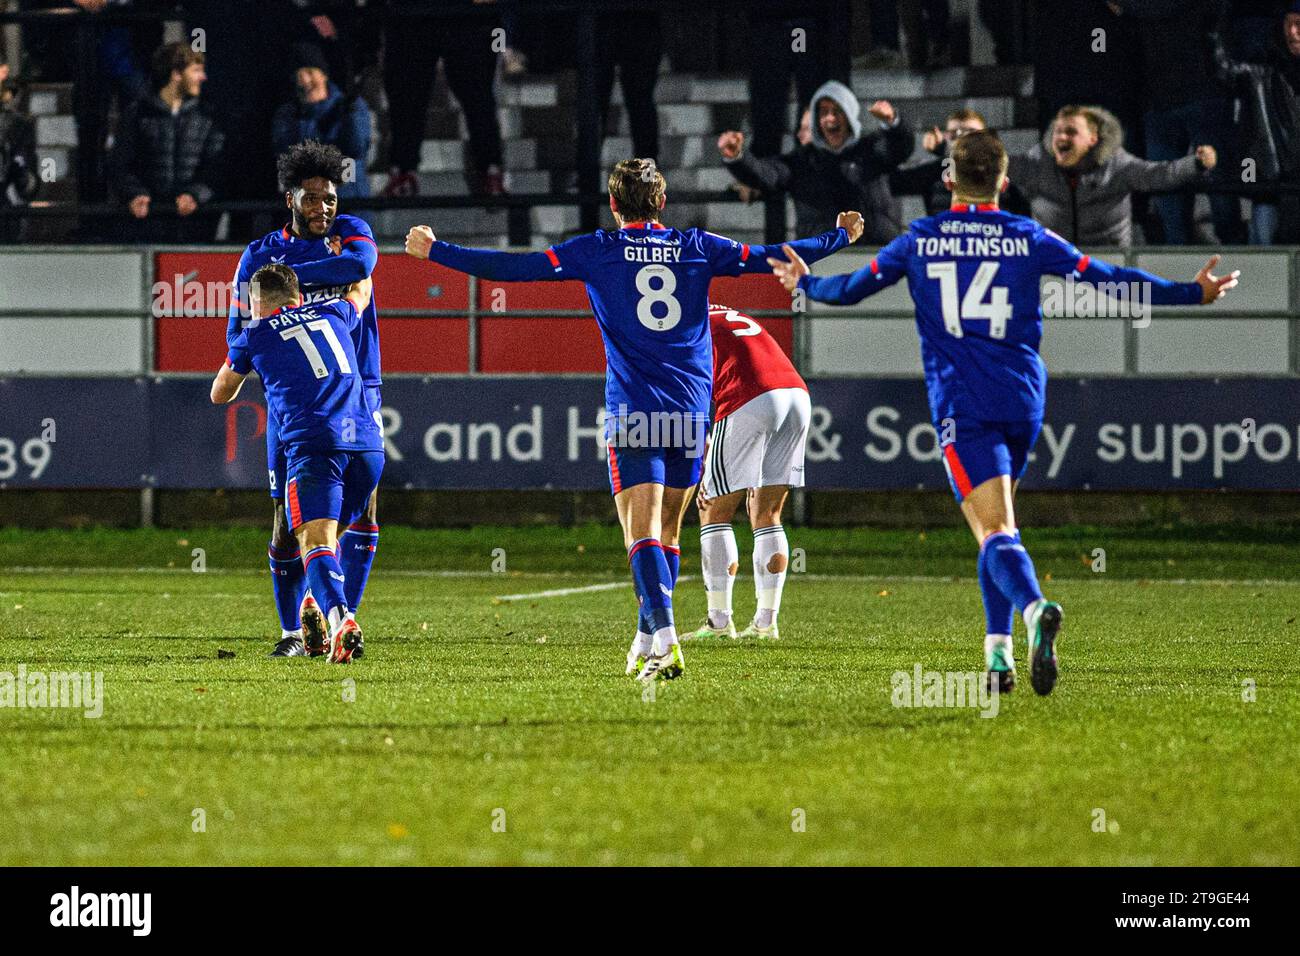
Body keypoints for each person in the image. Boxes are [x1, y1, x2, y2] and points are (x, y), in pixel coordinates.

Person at [770, 130, 1239, 696]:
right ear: (1004, 179)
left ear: (947, 180)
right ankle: (998, 657)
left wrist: (806, 281)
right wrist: (1191, 293)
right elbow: (1109, 280)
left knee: (992, 527)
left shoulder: (921, 238)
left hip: (963, 404)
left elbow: (851, 290)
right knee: (998, 526)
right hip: (1022, 398)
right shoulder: (1027, 235)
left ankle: (1036, 610)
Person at [404, 159, 864, 682]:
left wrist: (436, 250)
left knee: (639, 531)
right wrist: (838, 237)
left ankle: (666, 642)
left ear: (614, 204)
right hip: (691, 408)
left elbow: (516, 268)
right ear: (662, 202)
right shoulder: (697, 246)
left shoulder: (596, 249)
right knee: (668, 531)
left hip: (636, 407)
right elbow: (772, 258)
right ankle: (646, 638)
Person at [226, 141, 382, 658]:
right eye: (312, 199)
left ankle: (339, 617)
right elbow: (242, 327)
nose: (324, 209)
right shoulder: (259, 252)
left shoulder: (351, 233)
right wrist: (323, 274)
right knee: (286, 520)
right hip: (293, 404)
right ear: (290, 198)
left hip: (357, 387)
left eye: (331, 199)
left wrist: (285, 286)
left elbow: (364, 263)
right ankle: (295, 632)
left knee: (361, 512)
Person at [211, 264, 380, 664]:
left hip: (314, 445)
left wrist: (241, 341)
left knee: (313, 541)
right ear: (298, 297)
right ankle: (317, 603)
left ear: (255, 305)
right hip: (369, 446)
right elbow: (363, 287)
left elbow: (220, 394)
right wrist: (349, 256)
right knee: (332, 538)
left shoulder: (253, 335)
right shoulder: (335, 311)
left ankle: (341, 622)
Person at [692, 304, 810, 642]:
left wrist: (704, 441)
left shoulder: (685, 323)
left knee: (713, 508)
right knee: (767, 513)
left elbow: (694, 388)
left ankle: (718, 622)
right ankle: (765, 624)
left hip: (751, 396)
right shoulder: (725, 313)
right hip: (796, 395)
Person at [1110, 0, 1245, 244]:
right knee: (1178, 188)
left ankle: (1232, 248)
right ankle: (1195, 251)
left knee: (1216, 184)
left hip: (1197, 95)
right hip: (1166, 99)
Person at [719, 81, 913, 243]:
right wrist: (738, 157)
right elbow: (767, 173)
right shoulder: (801, 161)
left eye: (837, 111)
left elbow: (900, 147)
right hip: (823, 261)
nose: (830, 118)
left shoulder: (871, 149)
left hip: (874, 255)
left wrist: (892, 122)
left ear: (850, 115)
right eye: (823, 112)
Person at [1007, 104, 1217, 246]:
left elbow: (1158, 175)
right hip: (1054, 264)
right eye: (1057, 131)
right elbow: (1000, 166)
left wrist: (1196, 164)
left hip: (1109, 264)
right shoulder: (1038, 163)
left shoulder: (1117, 165)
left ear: (1092, 139)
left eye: (1071, 132)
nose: (1061, 137)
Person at [380, 4, 505, 197]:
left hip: (466, 16)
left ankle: (490, 168)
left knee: (477, 93)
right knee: (407, 95)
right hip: (412, 16)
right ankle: (403, 169)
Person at [108, 42, 225, 241]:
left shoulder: (208, 116)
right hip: (147, 222)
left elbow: (218, 166)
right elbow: (120, 163)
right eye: (196, 70)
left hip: (194, 224)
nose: (203, 77)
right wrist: (135, 194)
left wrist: (195, 195)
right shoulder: (137, 114)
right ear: (176, 74)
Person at [1212, 1, 1300, 244]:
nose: (1293, 32)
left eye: (1299, 24)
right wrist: (1218, 22)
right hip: (1275, 181)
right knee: (1263, 244)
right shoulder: (1263, 71)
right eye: (1288, 24)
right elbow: (1225, 69)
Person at [271, 43, 371, 199]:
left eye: (310, 73)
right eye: (299, 76)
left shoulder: (350, 106)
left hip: (348, 204)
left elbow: (355, 150)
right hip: (306, 207)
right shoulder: (288, 114)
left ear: (324, 75)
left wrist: (351, 116)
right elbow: (287, 154)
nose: (304, 81)